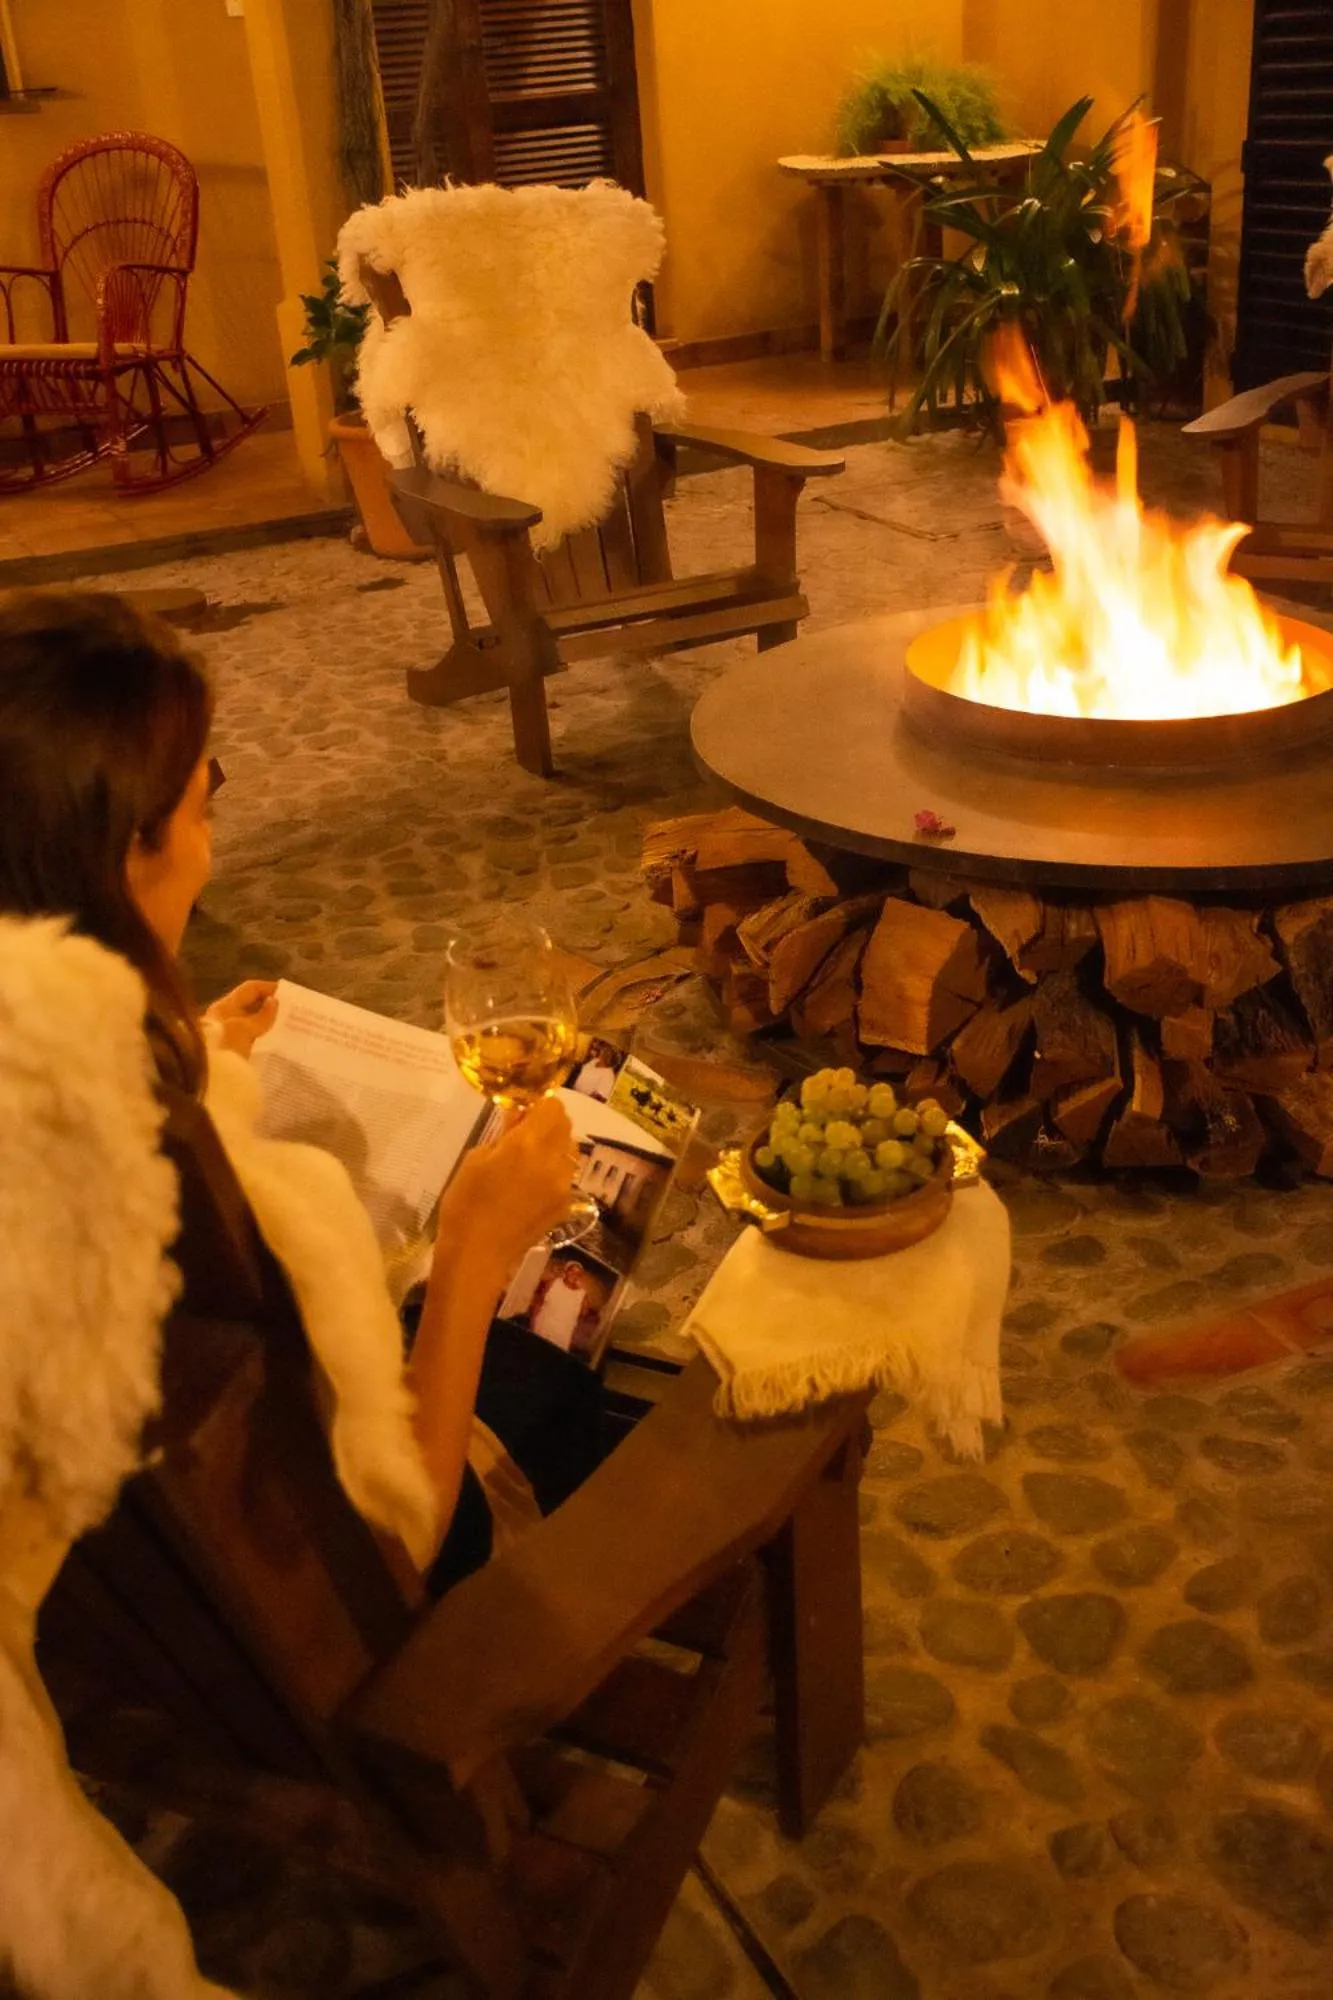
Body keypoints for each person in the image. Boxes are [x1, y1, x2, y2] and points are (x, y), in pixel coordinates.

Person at [0, 589, 600, 1588]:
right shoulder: (162, 1186)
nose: (210, 846)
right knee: (548, 1361)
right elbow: (397, 1531)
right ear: (126, 854)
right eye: (203, 804)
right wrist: (473, 1249)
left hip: (110, 1606)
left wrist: (194, 1046)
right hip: (317, 1611)